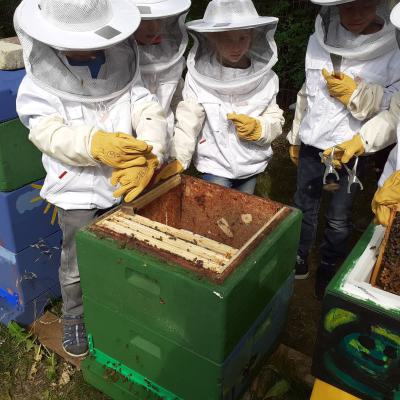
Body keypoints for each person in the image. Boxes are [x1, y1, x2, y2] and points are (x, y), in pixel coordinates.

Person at [14, 0, 167, 357]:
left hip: (122, 186)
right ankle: (74, 318)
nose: (86, 48)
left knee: (123, 253)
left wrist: (150, 151)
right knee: (76, 264)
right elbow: (47, 132)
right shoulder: (40, 79)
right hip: (76, 191)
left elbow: (146, 107)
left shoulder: (120, 59)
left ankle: (117, 306)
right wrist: (93, 143)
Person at [287, 0, 400, 298]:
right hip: (313, 144)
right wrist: (296, 137)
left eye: (366, 5)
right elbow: (307, 91)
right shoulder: (319, 39)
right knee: (303, 205)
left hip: (351, 151)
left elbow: (395, 104)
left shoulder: (391, 48)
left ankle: (330, 266)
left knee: (338, 217)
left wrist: (360, 94)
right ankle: (298, 258)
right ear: (334, 8)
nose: (357, 15)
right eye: (348, 7)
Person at [156, 0, 284, 195]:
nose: (236, 47)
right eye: (227, 39)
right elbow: (189, 120)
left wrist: (261, 129)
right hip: (214, 165)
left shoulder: (267, 78)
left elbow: (274, 116)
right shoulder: (198, 76)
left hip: (250, 163)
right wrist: (178, 159)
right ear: (212, 38)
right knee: (215, 220)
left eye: (242, 38)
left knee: (241, 217)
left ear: (251, 36)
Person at [133, 0, 191, 154]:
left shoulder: (170, 52)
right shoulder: (117, 56)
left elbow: (178, 101)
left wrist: (179, 150)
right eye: (145, 21)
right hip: (130, 148)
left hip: (166, 144)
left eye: (158, 19)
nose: (154, 27)